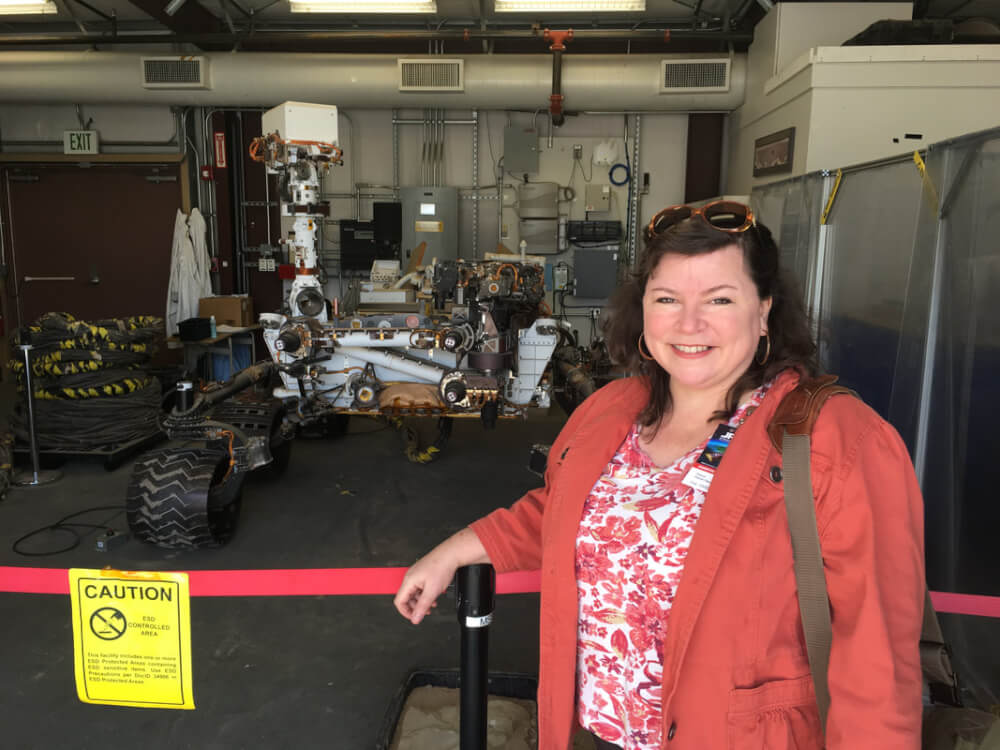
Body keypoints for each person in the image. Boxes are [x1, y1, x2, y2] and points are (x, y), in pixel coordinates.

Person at [394, 202, 925, 750]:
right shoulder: (613, 408)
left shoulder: (837, 440)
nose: (689, 324)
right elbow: (566, 511)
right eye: (667, 298)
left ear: (764, 310)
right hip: (595, 733)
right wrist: (457, 549)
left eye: (720, 299)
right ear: (642, 308)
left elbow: (879, 668)